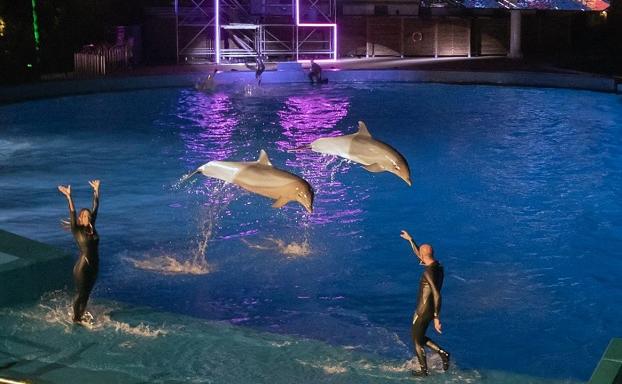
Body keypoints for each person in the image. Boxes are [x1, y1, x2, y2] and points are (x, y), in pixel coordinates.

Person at [400, 230, 450, 377]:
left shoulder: (427, 273)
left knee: (416, 341)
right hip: (428, 310)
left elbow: (436, 294)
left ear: (423, 256)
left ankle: (424, 371)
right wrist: (411, 240)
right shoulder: (438, 267)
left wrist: (436, 318)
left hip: (423, 311)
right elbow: (421, 255)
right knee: (420, 337)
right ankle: (443, 353)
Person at [58, 180, 101, 323]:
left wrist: (96, 190)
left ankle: (81, 313)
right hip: (82, 267)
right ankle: (75, 319)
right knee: (81, 293)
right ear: (80, 218)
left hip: (94, 265)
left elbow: (96, 207)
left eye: (88, 215)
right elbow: (72, 212)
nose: (87, 216)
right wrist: (69, 197)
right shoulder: (76, 229)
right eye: (84, 215)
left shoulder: (92, 227)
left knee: (87, 293)